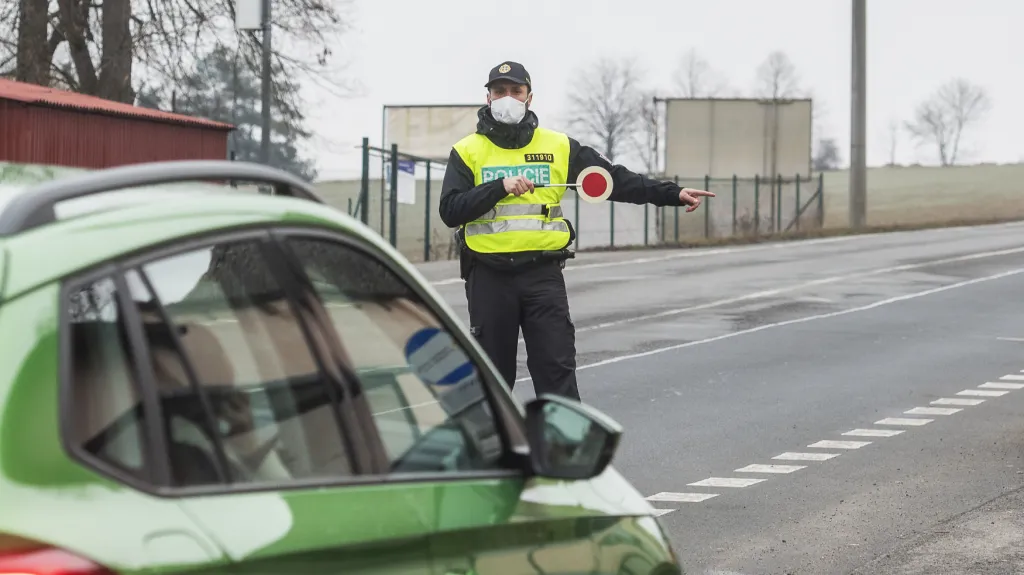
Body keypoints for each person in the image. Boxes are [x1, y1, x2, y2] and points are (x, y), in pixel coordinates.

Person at [438, 60, 714, 402]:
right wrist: (499, 187)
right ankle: (493, 438)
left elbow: (614, 180)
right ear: (488, 97)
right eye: (499, 91)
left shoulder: (558, 146)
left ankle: (562, 437)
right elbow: (450, 210)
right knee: (491, 381)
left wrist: (672, 193)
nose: (507, 97)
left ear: (529, 97)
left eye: (515, 91)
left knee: (556, 372)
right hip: (489, 277)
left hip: (542, 275)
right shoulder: (467, 151)